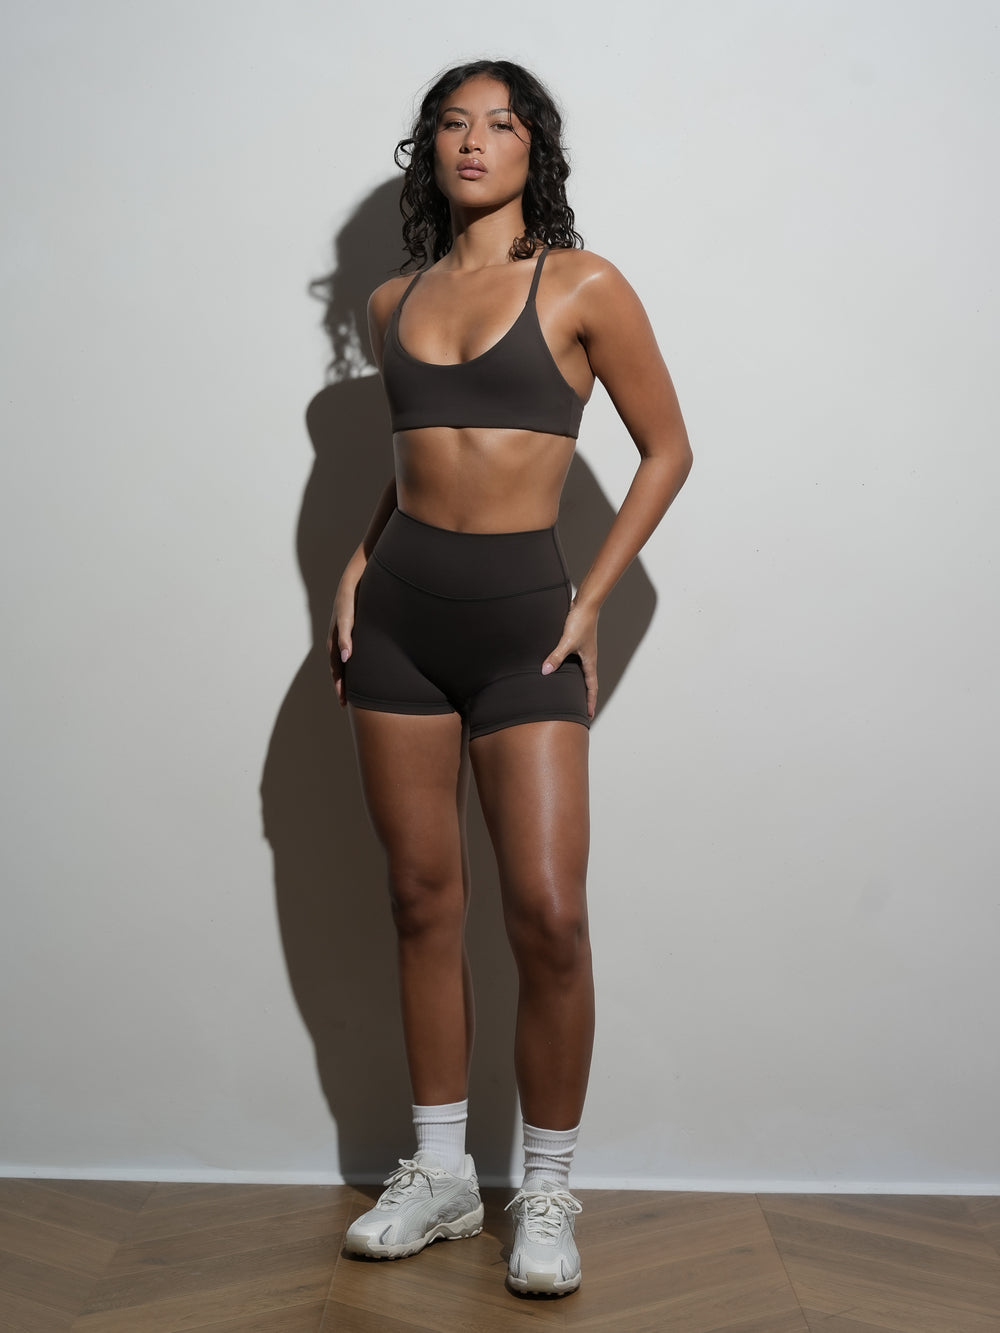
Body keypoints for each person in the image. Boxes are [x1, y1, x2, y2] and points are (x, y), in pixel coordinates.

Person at [327, 58, 691, 1299]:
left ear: (537, 148)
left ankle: (545, 1187)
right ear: (428, 149)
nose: (472, 141)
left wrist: (591, 598)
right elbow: (421, 460)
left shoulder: (583, 284)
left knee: (547, 912)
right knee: (421, 898)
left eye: (499, 123)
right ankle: (439, 1173)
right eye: (451, 123)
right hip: (398, 623)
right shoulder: (391, 300)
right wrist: (356, 563)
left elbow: (667, 448)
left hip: (526, 623)